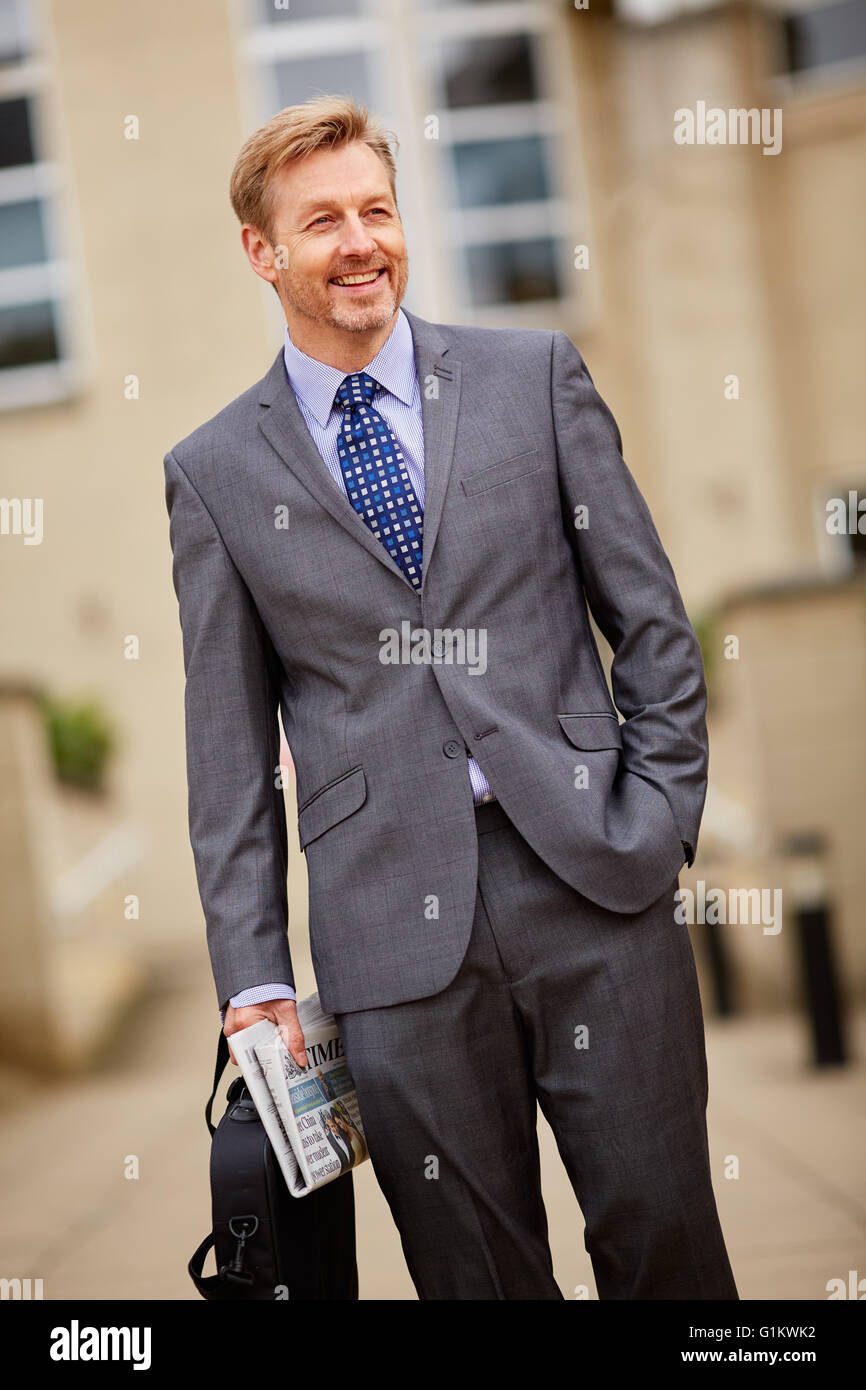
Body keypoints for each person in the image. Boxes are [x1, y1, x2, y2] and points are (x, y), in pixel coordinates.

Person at [164, 94, 738, 1301]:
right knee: (474, 1280)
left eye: (377, 208)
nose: (362, 240)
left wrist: (659, 819)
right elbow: (226, 752)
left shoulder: (531, 375)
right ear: (260, 253)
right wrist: (254, 977)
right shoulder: (212, 474)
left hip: (592, 882)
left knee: (667, 1255)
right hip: (389, 945)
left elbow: (650, 621)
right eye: (322, 221)